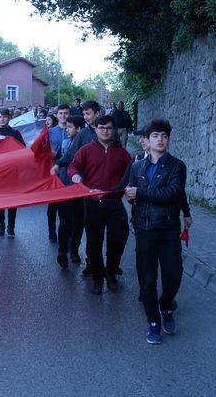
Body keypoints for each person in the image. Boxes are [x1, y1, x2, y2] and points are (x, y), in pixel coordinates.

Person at [125, 120, 187, 344]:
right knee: (147, 281)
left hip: (168, 230)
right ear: (147, 141)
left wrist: (139, 193)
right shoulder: (137, 167)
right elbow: (131, 195)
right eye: (155, 136)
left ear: (168, 140)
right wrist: (132, 196)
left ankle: (166, 304)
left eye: (164, 135)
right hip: (144, 230)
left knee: (173, 275)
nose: (160, 139)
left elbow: (173, 194)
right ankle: (153, 322)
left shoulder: (177, 166)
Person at [68, 115, 131, 294]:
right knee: (94, 243)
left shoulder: (122, 153)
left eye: (109, 128)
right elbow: (73, 167)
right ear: (96, 129)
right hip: (92, 203)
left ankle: (110, 272)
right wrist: (75, 175)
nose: (105, 131)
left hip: (114, 203)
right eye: (102, 128)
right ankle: (97, 277)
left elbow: (131, 174)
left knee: (118, 239)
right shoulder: (86, 150)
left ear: (114, 130)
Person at [54, 115, 86, 268]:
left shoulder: (86, 145)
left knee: (79, 221)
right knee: (65, 219)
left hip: (79, 187)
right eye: (66, 127)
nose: (67, 130)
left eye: (70, 127)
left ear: (79, 129)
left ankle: (74, 249)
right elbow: (61, 159)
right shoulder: (66, 142)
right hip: (64, 186)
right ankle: (62, 250)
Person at [0, 108, 25, 237]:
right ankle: (1, 226)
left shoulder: (15, 133)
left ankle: (11, 227)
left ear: (9, 118)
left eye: (5, 117)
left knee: (12, 200)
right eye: (0, 117)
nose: (2, 119)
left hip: (12, 172)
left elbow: (23, 150)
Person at [47, 105, 70, 243]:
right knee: (53, 203)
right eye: (60, 113)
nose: (63, 116)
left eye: (66, 113)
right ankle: (51, 229)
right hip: (53, 170)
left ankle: (65, 231)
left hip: (68, 171)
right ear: (56, 115)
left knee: (66, 204)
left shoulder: (73, 130)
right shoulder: (50, 131)